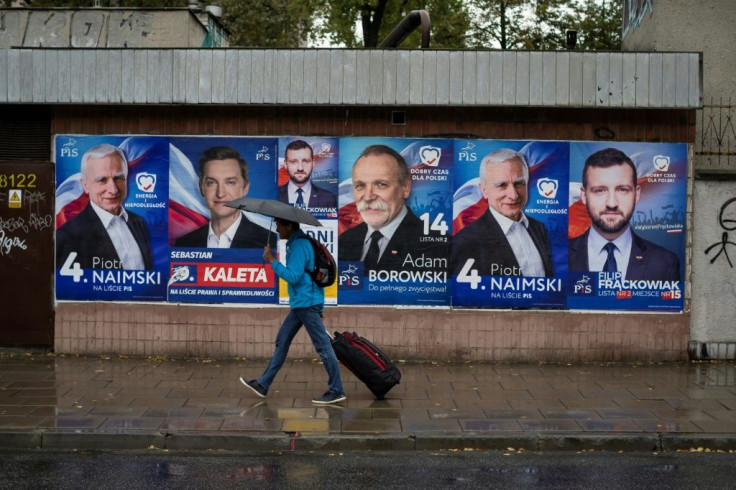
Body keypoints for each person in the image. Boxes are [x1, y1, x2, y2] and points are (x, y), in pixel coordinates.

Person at [240, 218, 346, 405]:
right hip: (301, 303)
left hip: (306, 303)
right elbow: (309, 275)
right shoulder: (298, 243)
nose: (278, 230)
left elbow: (294, 276)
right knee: (282, 340)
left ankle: (336, 390)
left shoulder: (299, 245)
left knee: (323, 346)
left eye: (280, 226)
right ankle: (263, 384)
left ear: (289, 226)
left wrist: (272, 261)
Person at [568, 148, 680, 281]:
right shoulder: (558, 258)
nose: (611, 203)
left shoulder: (665, 263)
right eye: (599, 190)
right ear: (584, 195)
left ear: (637, 194)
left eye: (622, 190)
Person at [339, 144, 446, 271]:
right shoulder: (345, 240)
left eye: (381, 184)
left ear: (405, 188)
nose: (368, 197)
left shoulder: (439, 247)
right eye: (360, 186)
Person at [450, 149, 553, 277]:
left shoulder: (538, 228)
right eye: (502, 185)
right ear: (484, 190)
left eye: (519, 183)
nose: (513, 195)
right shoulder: (465, 242)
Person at [56, 143, 153, 270]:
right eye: (102, 180)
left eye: (118, 178)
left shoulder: (138, 223)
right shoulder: (67, 236)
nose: (113, 189)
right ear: (85, 185)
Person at [175, 146, 275, 249]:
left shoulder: (269, 242)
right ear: (202, 188)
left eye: (230, 182)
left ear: (245, 188)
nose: (220, 193)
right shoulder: (184, 243)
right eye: (211, 182)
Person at [278, 139, 337, 209]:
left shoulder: (329, 198)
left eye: (305, 161)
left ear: (313, 163)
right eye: (293, 161)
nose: (300, 168)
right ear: (285, 164)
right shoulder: (274, 196)